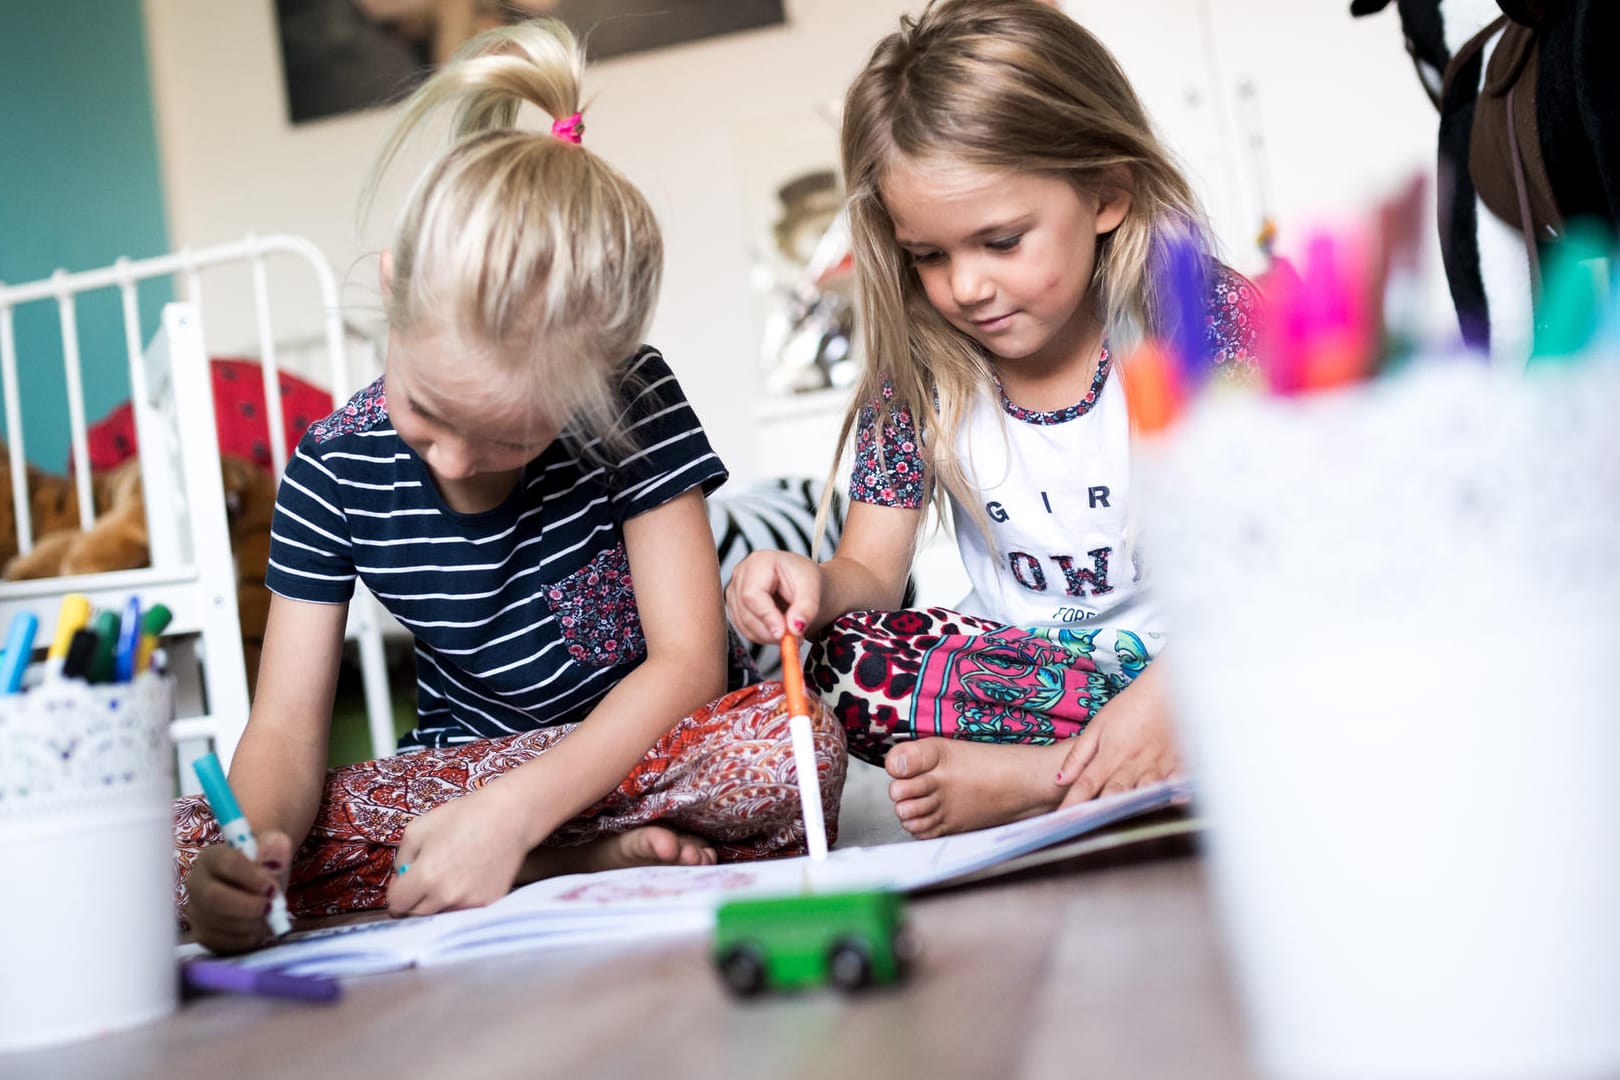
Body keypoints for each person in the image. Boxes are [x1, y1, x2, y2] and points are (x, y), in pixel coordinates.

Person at [175, 17, 844, 954]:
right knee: (178, 852)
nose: (452, 462)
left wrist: (517, 815)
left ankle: (536, 850)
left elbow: (687, 666)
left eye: (503, 439)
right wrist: (246, 859)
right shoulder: (331, 463)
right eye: (427, 412)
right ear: (393, 287)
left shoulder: (633, 396)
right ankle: (561, 858)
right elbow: (286, 725)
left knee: (795, 752)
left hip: (637, 748)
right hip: (468, 774)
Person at [726, 0, 1259, 839]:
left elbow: (1276, 545)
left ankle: (1051, 780)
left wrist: (1175, 690)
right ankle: (1150, 766)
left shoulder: (1204, 319)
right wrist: (816, 586)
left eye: (1001, 242)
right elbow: (870, 566)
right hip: (1033, 677)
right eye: (929, 256)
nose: (965, 286)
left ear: (1107, 195)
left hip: (1205, 651)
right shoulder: (917, 379)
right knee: (845, 661)